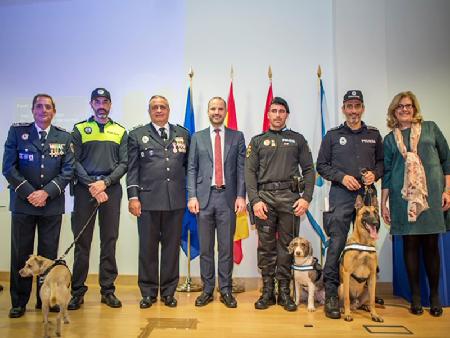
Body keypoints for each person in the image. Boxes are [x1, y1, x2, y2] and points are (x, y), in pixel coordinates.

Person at [2, 94, 74, 318]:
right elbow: (8, 167)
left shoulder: (64, 137)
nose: (43, 110)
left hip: (51, 205)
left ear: (54, 111)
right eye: (39, 107)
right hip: (23, 204)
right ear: (33, 110)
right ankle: (19, 302)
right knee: (21, 254)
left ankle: (44, 299)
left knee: (47, 257)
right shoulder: (17, 133)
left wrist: (46, 193)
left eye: (48, 107)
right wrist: (30, 192)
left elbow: (68, 171)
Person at [381, 91, 450, 317]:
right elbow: (388, 174)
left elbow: (446, 160)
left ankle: (435, 297)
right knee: (410, 247)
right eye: (400, 106)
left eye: (408, 106)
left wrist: (448, 189)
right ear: (394, 110)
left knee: (431, 246)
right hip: (403, 200)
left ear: (414, 108)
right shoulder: (390, 139)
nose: (404, 109)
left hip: (431, 197)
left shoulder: (431, 128)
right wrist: (384, 203)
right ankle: (416, 298)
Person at [317, 90, 383, 319]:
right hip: (341, 196)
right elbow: (321, 165)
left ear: (362, 108)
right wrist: (342, 177)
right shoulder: (333, 135)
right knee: (336, 245)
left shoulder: (374, 134)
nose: (353, 111)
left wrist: (375, 174)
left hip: (367, 198)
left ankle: (365, 291)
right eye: (349, 106)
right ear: (343, 109)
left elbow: (383, 163)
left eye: (357, 106)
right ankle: (333, 294)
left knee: (369, 243)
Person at [245, 96, 315, 312]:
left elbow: (310, 170)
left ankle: (284, 291)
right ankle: (267, 291)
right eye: (273, 111)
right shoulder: (257, 141)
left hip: (290, 200)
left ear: (286, 115)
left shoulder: (297, 140)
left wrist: (306, 198)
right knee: (266, 248)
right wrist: (255, 200)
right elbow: (249, 172)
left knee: (287, 247)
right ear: (268, 114)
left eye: (281, 111)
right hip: (264, 200)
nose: (277, 115)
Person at [127, 95, 190, 308]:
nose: (159, 110)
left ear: (169, 110)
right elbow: (132, 169)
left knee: (171, 249)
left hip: (175, 201)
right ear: (149, 111)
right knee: (147, 248)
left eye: (163, 106)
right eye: (155, 107)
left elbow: (188, 168)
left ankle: (169, 292)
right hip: (147, 201)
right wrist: (133, 197)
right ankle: (148, 292)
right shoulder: (137, 135)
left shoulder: (183, 134)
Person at [68, 88, 128, 310]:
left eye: (105, 102)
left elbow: (124, 163)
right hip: (86, 191)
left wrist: (106, 183)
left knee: (109, 241)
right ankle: (77, 292)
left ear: (110, 105)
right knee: (82, 243)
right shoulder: (79, 129)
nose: (101, 105)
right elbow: (73, 162)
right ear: (91, 104)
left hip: (110, 191)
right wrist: (93, 185)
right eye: (97, 101)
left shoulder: (120, 131)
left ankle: (108, 290)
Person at [187, 97, 246, 308]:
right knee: (206, 248)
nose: (216, 112)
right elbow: (191, 168)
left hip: (228, 199)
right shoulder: (197, 137)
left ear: (226, 111)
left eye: (220, 108)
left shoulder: (237, 136)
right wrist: (192, 196)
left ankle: (226, 290)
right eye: (213, 108)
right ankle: (207, 289)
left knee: (226, 248)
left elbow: (241, 169)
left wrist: (241, 196)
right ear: (208, 112)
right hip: (203, 199)